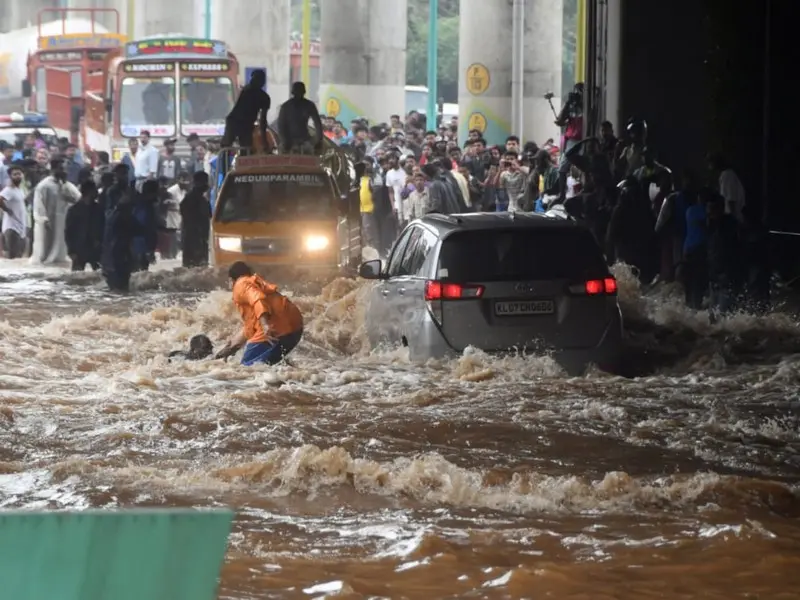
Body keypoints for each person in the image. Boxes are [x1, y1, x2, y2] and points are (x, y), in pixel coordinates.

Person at [215, 262, 304, 366]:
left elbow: (258, 299)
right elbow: (251, 326)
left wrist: (265, 325)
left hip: (276, 330)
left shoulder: (240, 284)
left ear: (231, 280)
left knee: (246, 369)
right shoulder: (255, 283)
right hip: (296, 328)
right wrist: (232, 347)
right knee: (268, 364)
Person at [30, 158, 80, 265]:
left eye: (66, 169)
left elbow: (78, 198)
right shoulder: (44, 185)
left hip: (63, 219)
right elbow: (39, 204)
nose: (65, 171)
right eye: (61, 169)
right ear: (54, 169)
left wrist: (65, 187)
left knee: (62, 245)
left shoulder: (67, 185)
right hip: (49, 221)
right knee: (46, 248)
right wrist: (43, 219)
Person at [222, 69, 270, 150]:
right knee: (245, 149)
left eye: (255, 79)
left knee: (228, 148)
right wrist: (264, 141)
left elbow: (263, 120)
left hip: (239, 123)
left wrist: (264, 140)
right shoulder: (262, 96)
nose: (251, 81)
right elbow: (263, 120)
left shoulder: (247, 90)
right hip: (241, 123)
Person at [65, 179, 103, 271]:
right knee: (76, 279)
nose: (97, 192)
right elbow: (68, 232)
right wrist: (71, 251)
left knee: (100, 277)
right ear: (89, 191)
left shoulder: (98, 209)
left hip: (95, 248)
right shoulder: (74, 210)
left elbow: (103, 228)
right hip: (79, 249)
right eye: (95, 190)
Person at [277, 81, 324, 154]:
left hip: (304, 141)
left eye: (300, 92)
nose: (298, 94)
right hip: (291, 141)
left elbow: (318, 124)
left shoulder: (309, 105)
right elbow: (281, 126)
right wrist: (284, 141)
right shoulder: (286, 106)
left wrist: (317, 140)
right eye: (297, 92)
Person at [180, 171, 212, 268]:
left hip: (199, 239)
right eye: (204, 182)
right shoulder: (191, 199)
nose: (207, 185)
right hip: (194, 240)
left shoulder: (201, 198)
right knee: (195, 267)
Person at [0, 165, 28, 259]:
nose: (18, 176)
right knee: (13, 257)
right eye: (15, 174)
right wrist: (7, 210)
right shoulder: (8, 190)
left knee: (19, 256)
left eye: (19, 174)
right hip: (11, 228)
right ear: (10, 176)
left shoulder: (19, 190)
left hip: (20, 226)